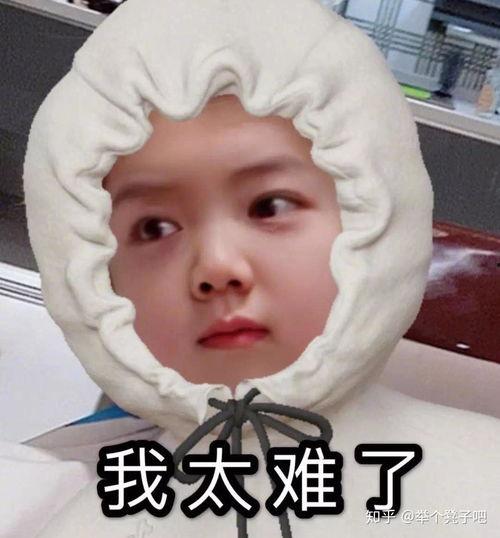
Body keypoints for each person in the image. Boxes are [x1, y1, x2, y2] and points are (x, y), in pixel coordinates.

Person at [5, 0, 500, 536]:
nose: (216, 267)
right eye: (154, 228)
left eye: (270, 206)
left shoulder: (478, 491)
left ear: (382, 225)